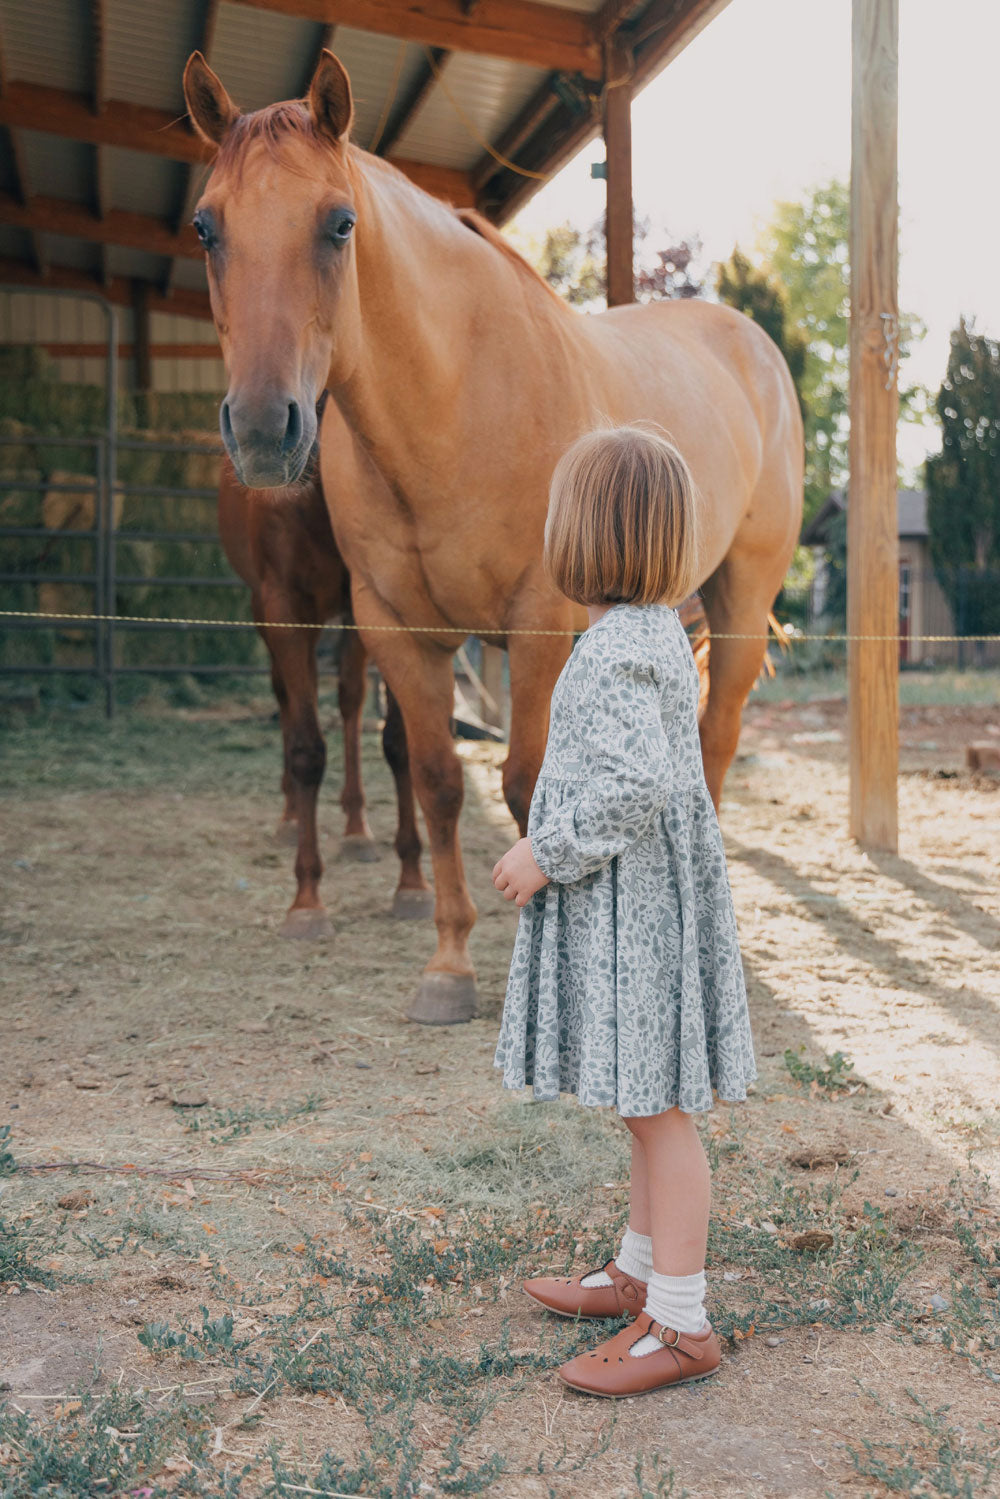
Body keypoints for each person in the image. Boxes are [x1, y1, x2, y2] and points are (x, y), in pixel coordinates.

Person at [492, 423, 756, 1397]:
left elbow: (633, 784)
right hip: (640, 915)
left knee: (657, 1112)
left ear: (585, 534)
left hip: (639, 918)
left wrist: (541, 852)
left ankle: (680, 1322)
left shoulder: (616, 650)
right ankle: (638, 1270)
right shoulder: (641, 634)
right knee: (642, 1106)